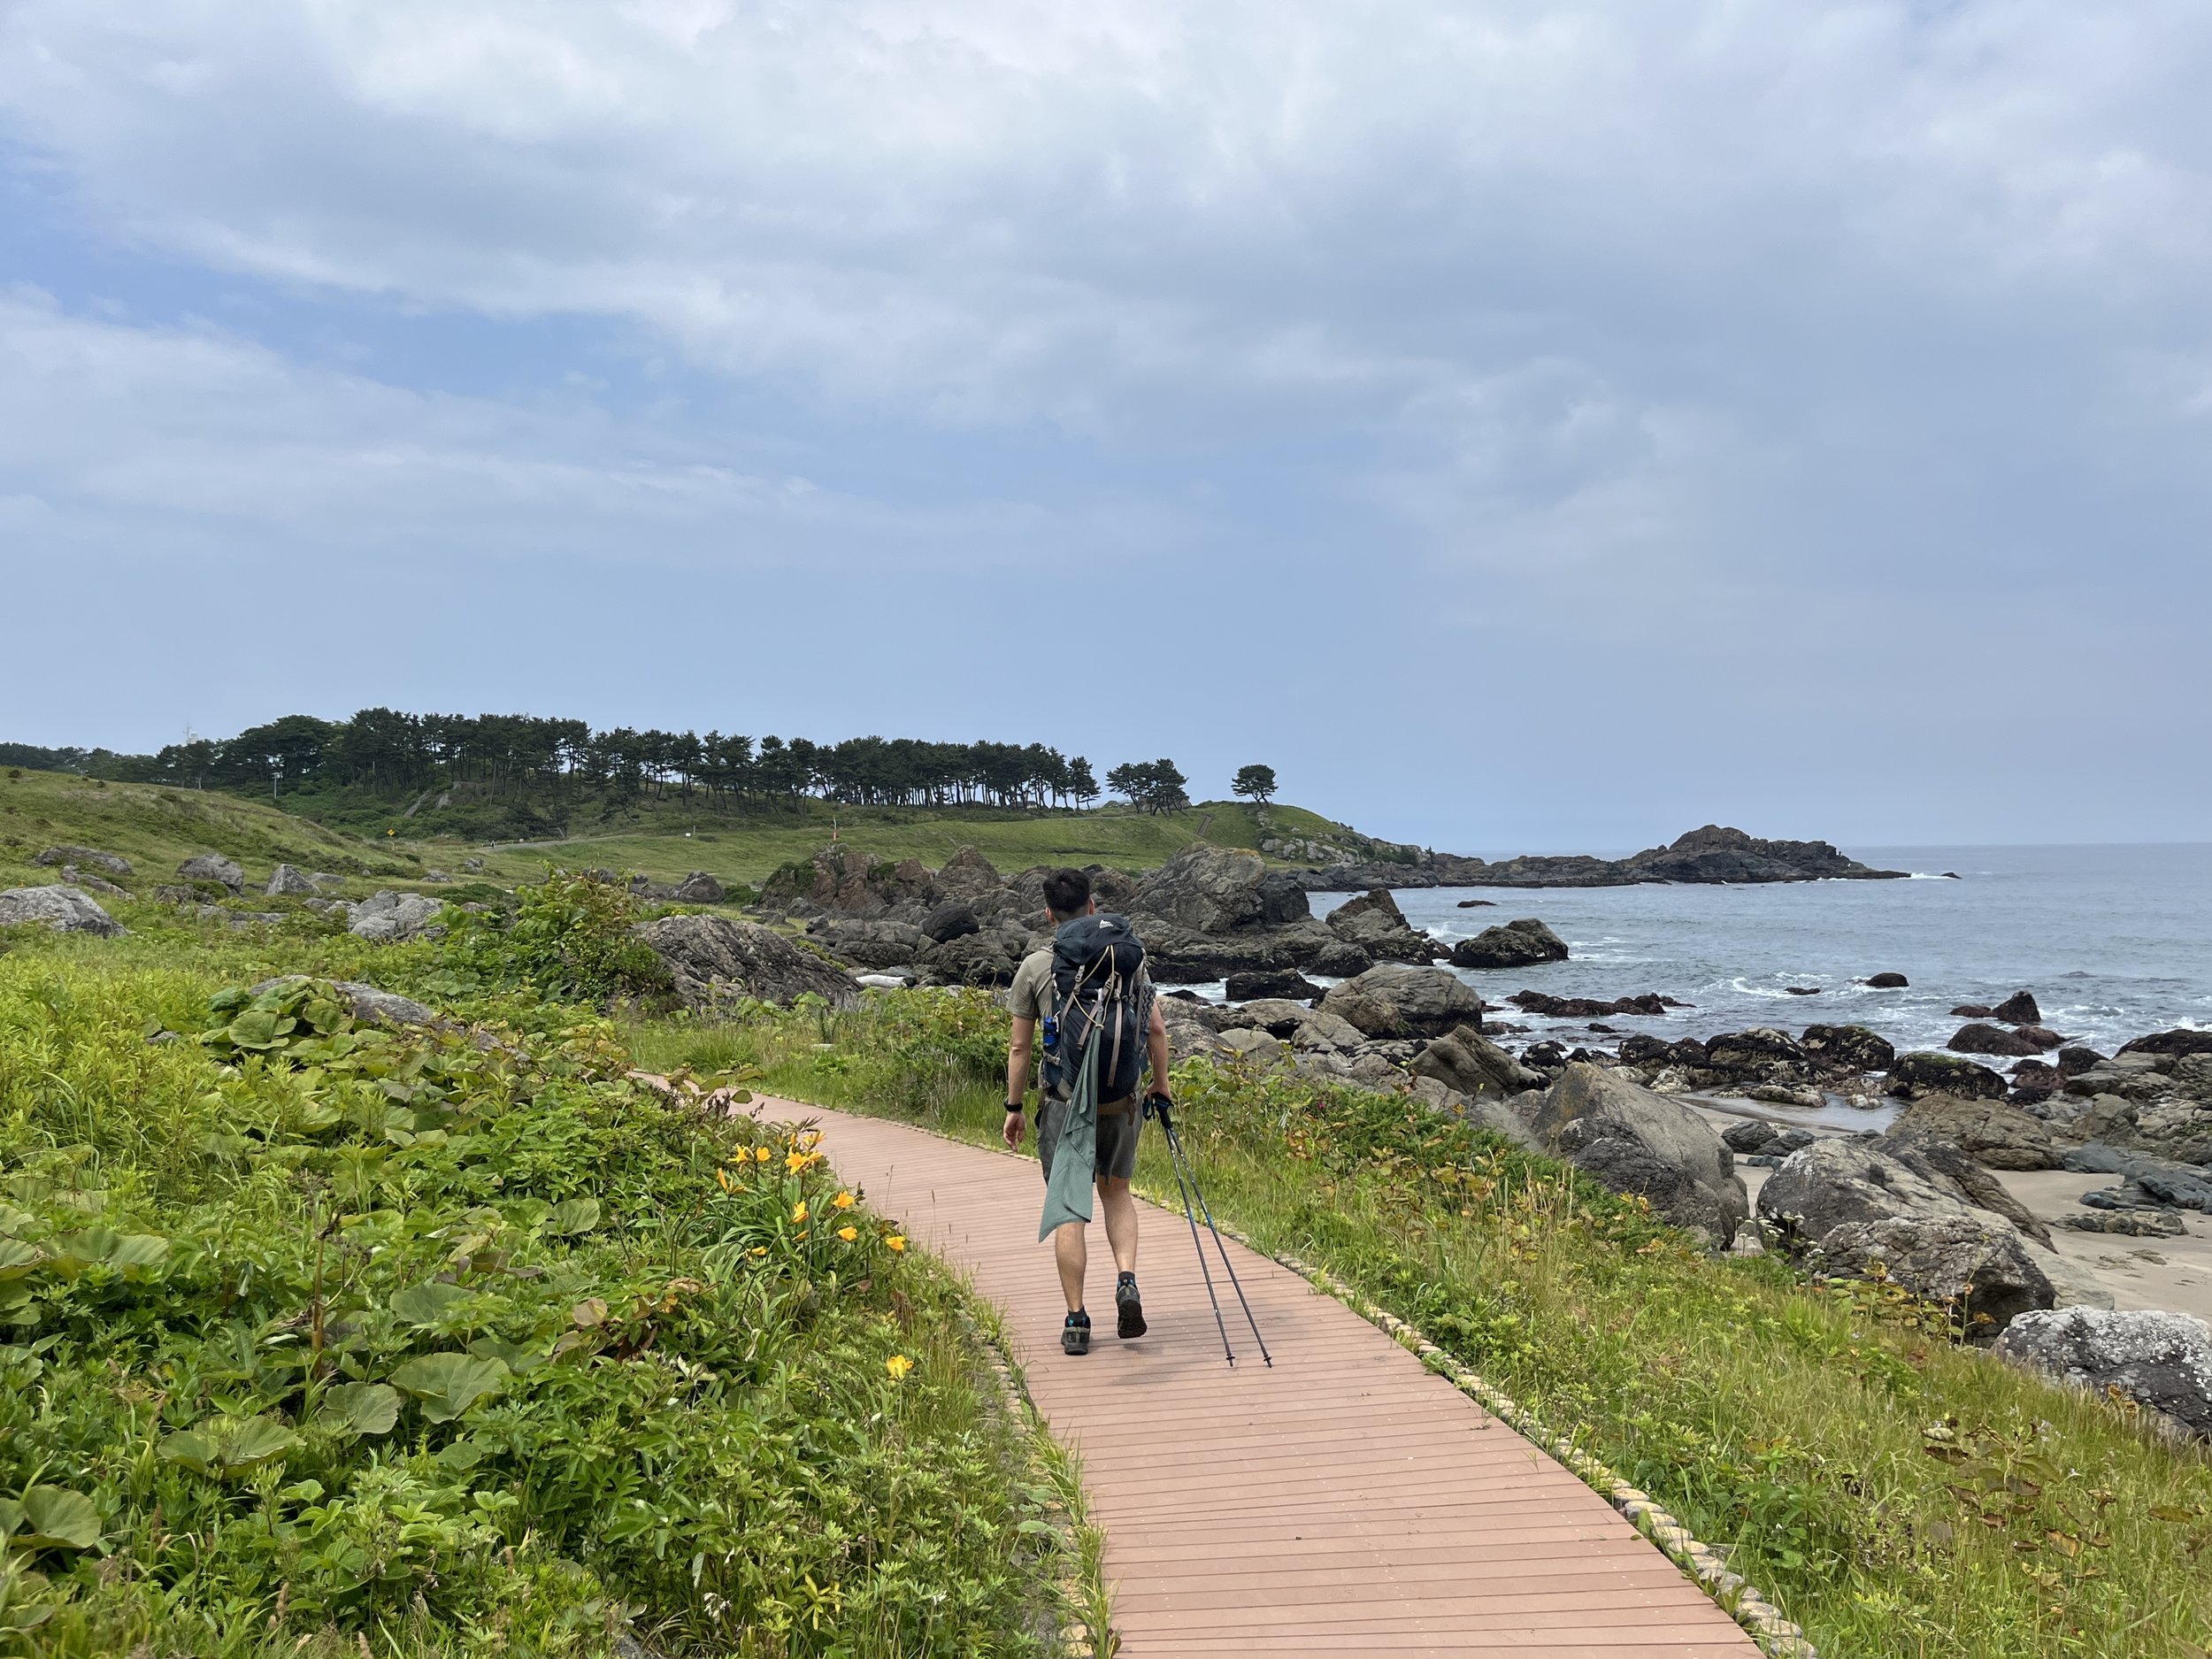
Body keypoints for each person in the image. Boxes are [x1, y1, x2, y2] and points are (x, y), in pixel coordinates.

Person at [1003, 866, 1172, 1356]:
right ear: (1093, 908)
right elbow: (1156, 1032)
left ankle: (1077, 1321)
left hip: (1063, 1104)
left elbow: (1019, 1048)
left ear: (1049, 913)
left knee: (1070, 1210)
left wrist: (1014, 1108)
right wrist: (1159, 1089)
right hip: (1121, 1100)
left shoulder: (1037, 967)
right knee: (1117, 1194)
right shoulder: (1129, 961)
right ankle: (1126, 1280)